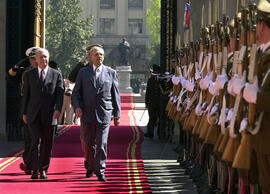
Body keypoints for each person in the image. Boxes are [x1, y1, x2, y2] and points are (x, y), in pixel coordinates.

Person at [72, 45, 121, 182]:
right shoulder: (83, 72)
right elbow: (76, 93)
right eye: (96, 54)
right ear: (90, 57)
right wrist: (77, 107)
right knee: (87, 143)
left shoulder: (111, 72)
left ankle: (100, 170)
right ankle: (90, 165)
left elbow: (115, 94)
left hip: (104, 113)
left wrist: (117, 114)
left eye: (101, 54)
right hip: (86, 113)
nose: (99, 56)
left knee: (101, 143)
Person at [22, 48, 64, 179]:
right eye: (41, 57)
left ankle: (43, 169)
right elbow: (26, 96)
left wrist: (58, 109)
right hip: (33, 114)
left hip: (50, 114)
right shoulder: (29, 75)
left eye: (46, 57)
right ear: (36, 59)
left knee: (47, 143)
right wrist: (24, 113)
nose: (44, 60)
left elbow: (60, 94)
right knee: (35, 142)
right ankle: (34, 170)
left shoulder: (56, 74)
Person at [6, 47, 39, 175]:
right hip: (28, 108)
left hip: (42, 109)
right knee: (28, 138)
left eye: (36, 58)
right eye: (31, 59)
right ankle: (28, 163)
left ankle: (39, 164)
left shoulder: (48, 72)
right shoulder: (24, 72)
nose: (34, 61)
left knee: (40, 139)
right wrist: (17, 66)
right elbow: (9, 78)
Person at [144, 64, 161, 139]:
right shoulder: (152, 79)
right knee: (153, 118)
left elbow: (148, 92)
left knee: (153, 118)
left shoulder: (152, 79)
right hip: (155, 102)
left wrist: (146, 102)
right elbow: (148, 92)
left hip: (153, 102)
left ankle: (151, 132)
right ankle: (152, 132)